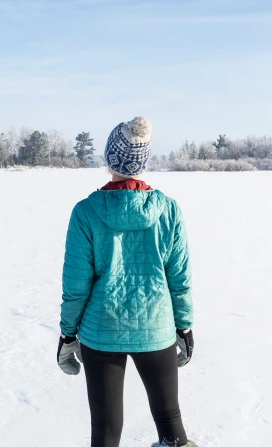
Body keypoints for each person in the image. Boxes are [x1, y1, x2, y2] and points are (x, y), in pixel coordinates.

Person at [56, 117, 195, 447]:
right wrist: (185, 327)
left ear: (109, 160)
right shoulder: (169, 210)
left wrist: (67, 333)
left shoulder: (86, 212)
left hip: (100, 332)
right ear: (143, 163)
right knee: (169, 421)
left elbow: (76, 284)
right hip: (156, 327)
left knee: (104, 431)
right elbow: (180, 279)